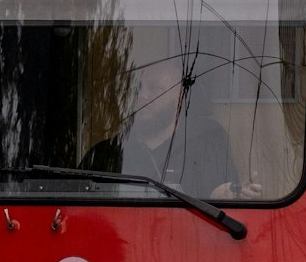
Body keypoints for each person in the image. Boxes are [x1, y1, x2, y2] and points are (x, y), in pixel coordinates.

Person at [84, 49, 262, 201]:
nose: (143, 96)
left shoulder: (206, 144)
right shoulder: (104, 153)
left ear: (179, 98)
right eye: (137, 88)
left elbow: (219, 197)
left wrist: (229, 196)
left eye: (155, 88)